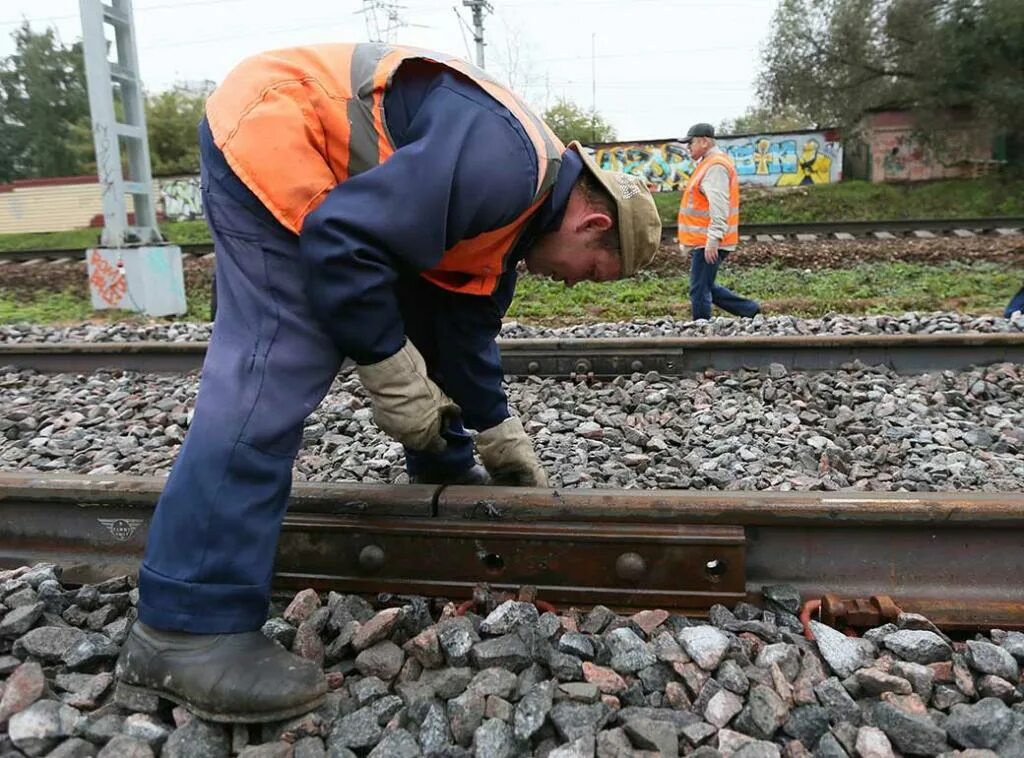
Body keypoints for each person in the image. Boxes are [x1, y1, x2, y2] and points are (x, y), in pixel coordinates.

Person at [115, 42, 661, 723]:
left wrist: (494, 436)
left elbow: (457, 331)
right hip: (275, 130)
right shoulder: (505, 168)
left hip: (320, 167)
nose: (575, 282)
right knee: (280, 360)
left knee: (411, 326)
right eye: (590, 271)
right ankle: (187, 626)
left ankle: (441, 479)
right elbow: (342, 239)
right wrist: (386, 367)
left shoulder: (514, 219)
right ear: (593, 223)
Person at [677, 122, 760, 321]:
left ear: (705, 141)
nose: (688, 147)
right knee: (705, 285)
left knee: (699, 290)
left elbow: (719, 205)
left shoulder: (715, 167)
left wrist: (713, 239)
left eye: (691, 143)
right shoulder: (708, 163)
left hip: (709, 241)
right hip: (703, 239)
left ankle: (702, 329)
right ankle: (750, 310)